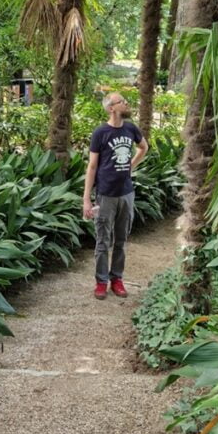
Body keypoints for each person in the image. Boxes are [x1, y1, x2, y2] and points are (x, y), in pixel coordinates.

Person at [83, 92, 148, 299]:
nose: (126, 103)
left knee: (121, 239)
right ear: (111, 108)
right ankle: (101, 282)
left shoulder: (130, 128)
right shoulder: (100, 133)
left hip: (126, 193)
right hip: (106, 195)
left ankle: (116, 279)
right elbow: (92, 166)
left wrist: (130, 166)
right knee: (103, 240)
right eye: (122, 101)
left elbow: (143, 147)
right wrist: (86, 199)